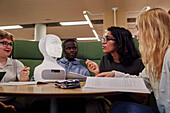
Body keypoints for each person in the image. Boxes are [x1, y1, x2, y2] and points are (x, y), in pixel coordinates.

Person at [97, 8, 170, 113]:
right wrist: (115, 75)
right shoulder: (156, 61)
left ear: (152, 30)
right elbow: (141, 82)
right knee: (119, 106)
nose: (135, 34)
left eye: (138, 29)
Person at [85, 26, 145, 113]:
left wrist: (121, 84)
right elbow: (101, 90)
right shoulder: (105, 60)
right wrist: (97, 73)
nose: (103, 42)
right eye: (103, 39)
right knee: (92, 105)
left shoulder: (138, 64)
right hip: (109, 103)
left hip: (130, 105)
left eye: (107, 39)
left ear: (120, 43)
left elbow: (142, 98)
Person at [0, 30, 30, 113]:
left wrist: (24, 79)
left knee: (22, 109)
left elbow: (24, 87)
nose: (8, 46)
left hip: (10, 100)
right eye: (4, 43)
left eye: (10, 44)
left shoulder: (16, 63)